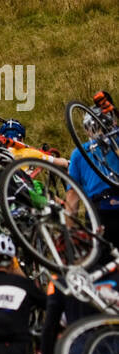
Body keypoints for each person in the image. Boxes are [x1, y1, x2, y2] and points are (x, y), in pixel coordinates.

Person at [65, 89, 119, 250]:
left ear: (87, 130)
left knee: (105, 266)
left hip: (98, 214)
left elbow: (72, 199)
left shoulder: (79, 154)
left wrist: (69, 234)